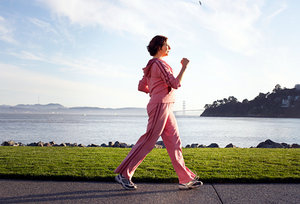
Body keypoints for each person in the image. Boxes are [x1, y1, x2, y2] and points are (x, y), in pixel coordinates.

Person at [114, 35, 203, 190]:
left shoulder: (151, 65)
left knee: (174, 142)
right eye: (167, 45)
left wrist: (155, 91)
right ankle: (124, 174)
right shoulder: (158, 63)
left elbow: (142, 87)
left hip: (166, 106)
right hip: (160, 106)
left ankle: (184, 179)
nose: (169, 48)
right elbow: (174, 84)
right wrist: (184, 67)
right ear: (159, 47)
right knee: (149, 141)